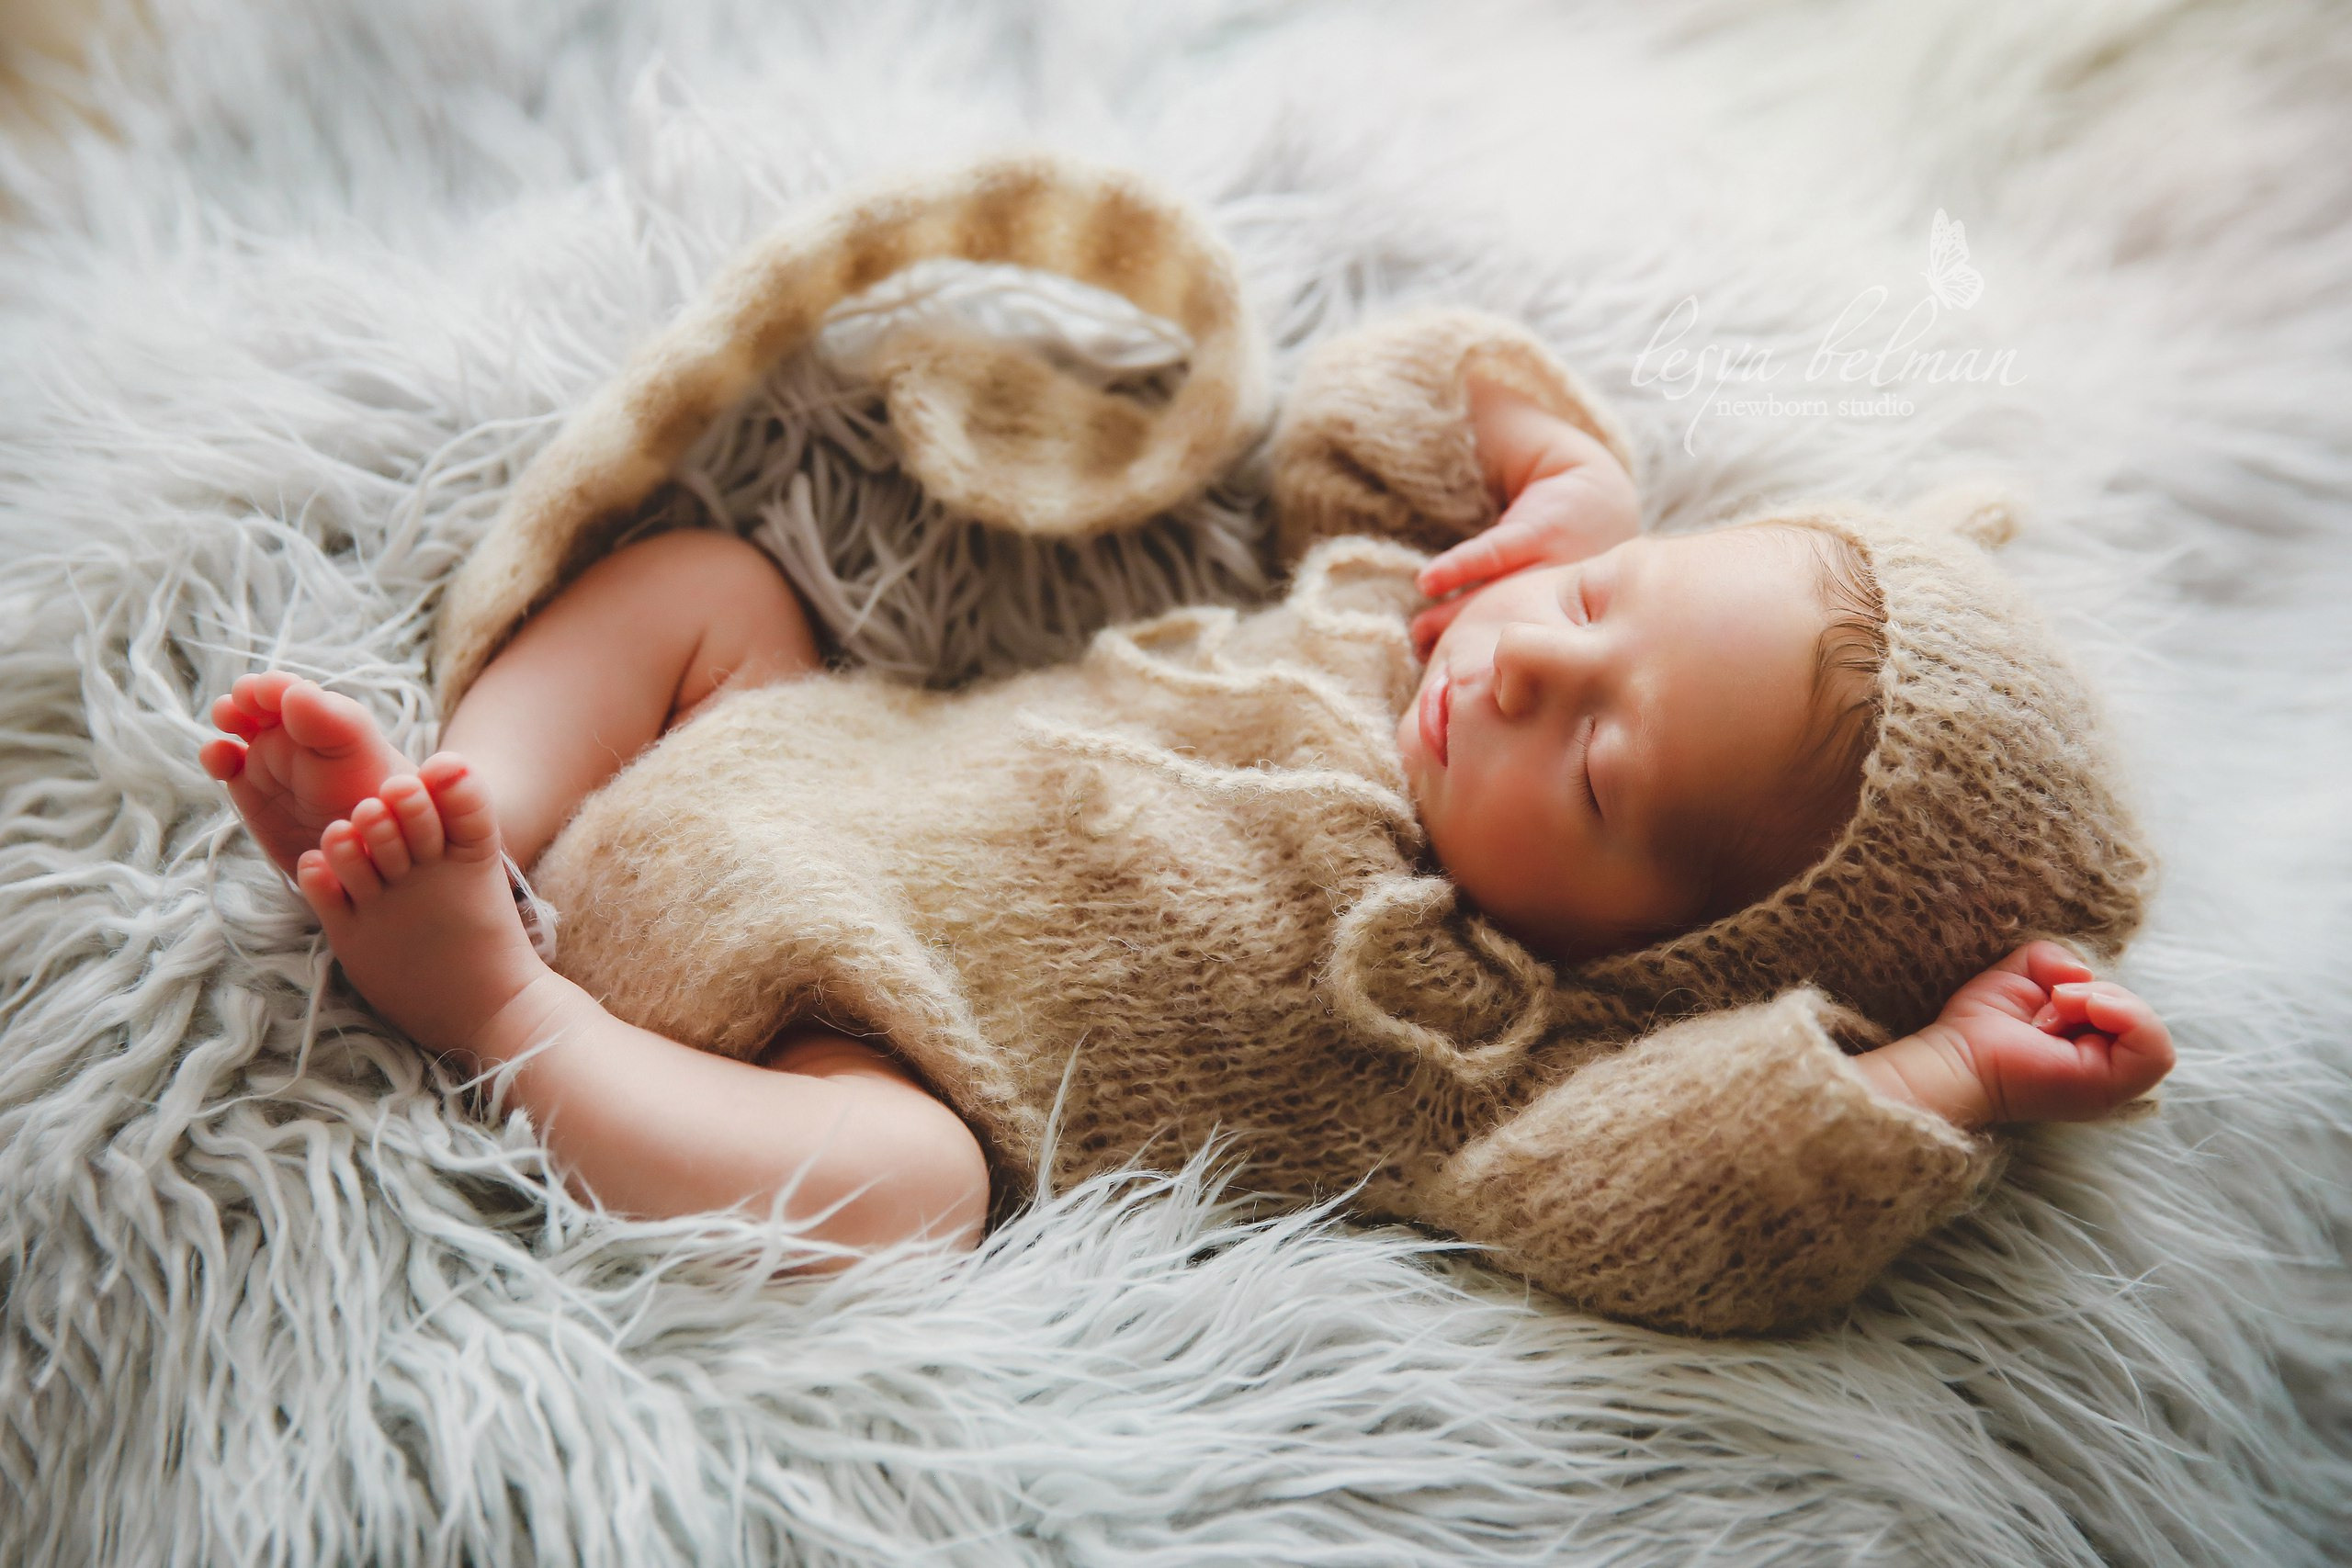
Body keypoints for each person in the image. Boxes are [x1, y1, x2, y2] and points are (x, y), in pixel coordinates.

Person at [199, 310, 2175, 1334]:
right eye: (1593, 611)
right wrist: (1557, 466)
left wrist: (1937, 1078)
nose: (1527, 672)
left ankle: (496, 1002)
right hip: (787, 756)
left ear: (1688, 958)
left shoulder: (1524, 1055)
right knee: (712, 584)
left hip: (864, 1035)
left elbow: (1696, 1209)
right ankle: (475, 798)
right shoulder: (1403, 616)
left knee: (905, 1198)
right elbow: (1359, 409)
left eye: (1597, 772)